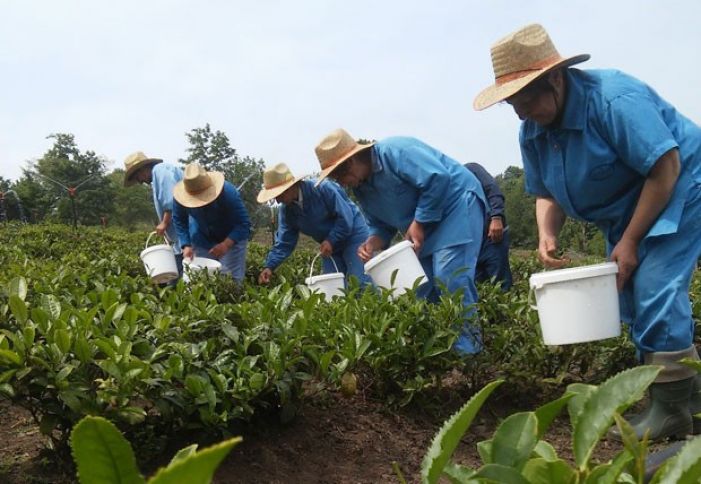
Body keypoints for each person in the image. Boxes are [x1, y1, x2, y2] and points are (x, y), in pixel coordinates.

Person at [474, 23, 701, 440]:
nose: (521, 112)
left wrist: (631, 241)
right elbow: (545, 192)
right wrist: (546, 233)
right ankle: (688, 400)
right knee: (629, 295)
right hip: (628, 208)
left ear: (555, 79)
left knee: (654, 287)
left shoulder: (613, 100)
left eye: (526, 98)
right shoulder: (533, 131)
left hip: (681, 184)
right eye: (512, 104)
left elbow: (664, 167)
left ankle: (671, 412)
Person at [314, 128, 487, 355]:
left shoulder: (396, 151)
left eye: (340, 175)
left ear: (353, 159)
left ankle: (469, 353)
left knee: (449, 277)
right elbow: (380, 226)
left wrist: (419, 221)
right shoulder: (362, 189)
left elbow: (438, 178)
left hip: (456, 205)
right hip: (425, 226)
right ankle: (441, 351)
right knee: (420, 288)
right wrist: (371, 243)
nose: (342, 183)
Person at [256, 163, 371, 287]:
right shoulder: (287, 211)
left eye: (279, 195)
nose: (277, 200)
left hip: (353, 235)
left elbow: (345, 218)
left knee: (360, 282)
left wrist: (331, 240)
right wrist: (270, 266)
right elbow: (285, 241)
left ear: (290, 187)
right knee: (332, 287)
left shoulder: (323, 188)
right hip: (328, 246)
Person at [172, 163, 251, 282]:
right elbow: (179, 220)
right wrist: (186, 245)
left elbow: (243, 224)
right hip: (201, 237)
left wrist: (226, 245)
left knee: (229, 280)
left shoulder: (229, 193)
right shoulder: (180, 198)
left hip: (231, 237)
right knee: (200, 278)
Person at [124, 151, 184, 278]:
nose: (140, 182)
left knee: (180, 280)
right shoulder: (157, 176)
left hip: (187, 236)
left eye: (137, 178)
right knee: (175, 279)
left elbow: (171, 200)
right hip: (180, 239)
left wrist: (164, 223)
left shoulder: (160, 171)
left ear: (141, 170)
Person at [465, 162, 512, 291]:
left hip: (492, 238)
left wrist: (496, 217)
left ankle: (506, 309)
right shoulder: (445, 187)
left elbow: (493, 190)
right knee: (477, 288)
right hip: (471, 246)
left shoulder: (471, 169)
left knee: (501, 284)